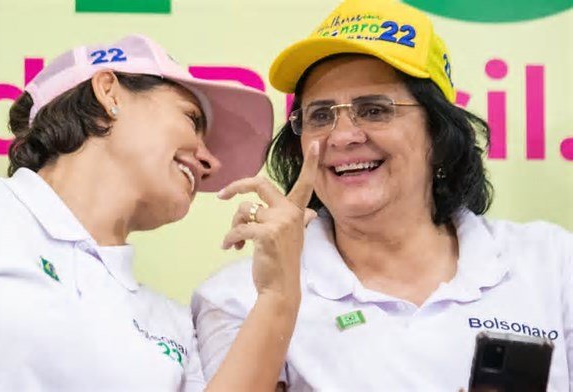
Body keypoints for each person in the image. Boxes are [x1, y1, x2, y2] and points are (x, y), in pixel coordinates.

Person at [0, 34, 318, 391]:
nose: (210, 162)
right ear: (109, 92)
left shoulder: (172, 323)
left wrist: (279, 293)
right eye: (191, 120)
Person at [192, 0, 573, 390]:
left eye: (374, 110)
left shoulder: (553, 264)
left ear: (439, 137)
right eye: (320, 116)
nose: (342, 136)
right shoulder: (239, 296)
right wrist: (277, 299)